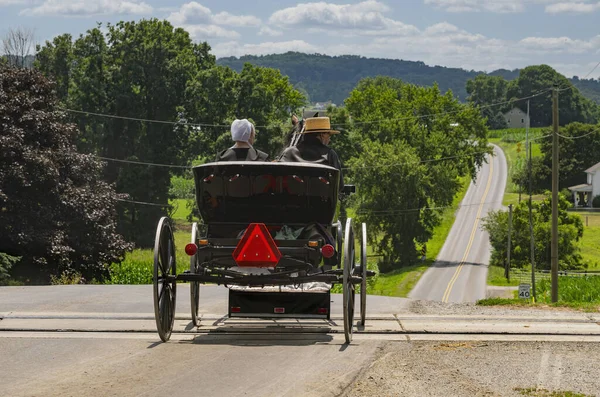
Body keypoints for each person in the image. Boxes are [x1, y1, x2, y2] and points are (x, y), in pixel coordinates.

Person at [279, 116, 344, 187]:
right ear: (322, 135)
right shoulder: (330, 154)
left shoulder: (289, 152)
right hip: (322, 197)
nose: (329, 139)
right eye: (329, 135)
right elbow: (339, 185)